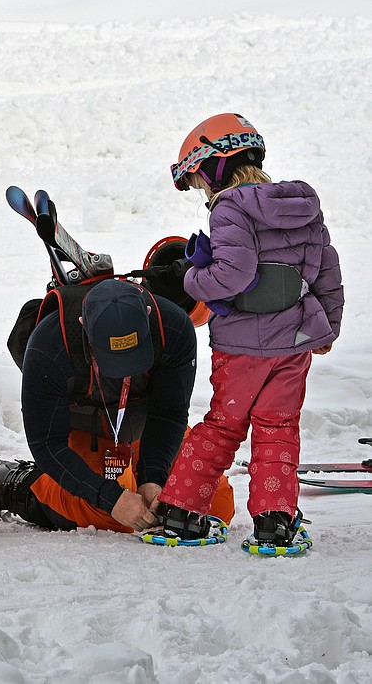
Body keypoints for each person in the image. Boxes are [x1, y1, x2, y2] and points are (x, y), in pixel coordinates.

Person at [152, 113, 343, 546]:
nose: (204, 192)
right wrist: (327, 327)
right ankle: (274, 524)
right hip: (292, 343)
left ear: (216, 167)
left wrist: (187, 278)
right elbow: (327, 274)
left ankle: (183, 514)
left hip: (239, 346)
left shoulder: (230, 208)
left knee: (222, 425)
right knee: (277, 428)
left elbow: (232, 276)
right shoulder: (303, 208)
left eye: (201, 181)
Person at [0, 278, 235, 534]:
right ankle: (19, 486)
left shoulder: (173, 328)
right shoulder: (48, 345)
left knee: (213, 505)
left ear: (149, 314)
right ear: (83, 325)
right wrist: (112, 499)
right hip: (87, 431)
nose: (122, 371)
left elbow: (169, 413)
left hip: (146, 425)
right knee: (113, 515)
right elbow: (47, 444)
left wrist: (153, 479)